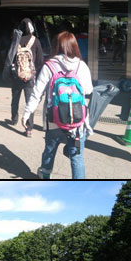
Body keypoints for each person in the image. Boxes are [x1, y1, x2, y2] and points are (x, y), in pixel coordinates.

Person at [22, 31, 93, 179]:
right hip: (77, 122)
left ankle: (45, 176)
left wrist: (27, 113)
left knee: (49, 151)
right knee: (77, 158)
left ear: (56, 47)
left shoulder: (50, 66)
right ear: (74, 46)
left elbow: (37, 93)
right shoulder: (82, 66)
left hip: (54, 120)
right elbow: (88, 90)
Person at [4, 18, 44, 137]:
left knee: (15, 98)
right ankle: (29, 128)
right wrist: (33, 71)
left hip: (17, 76)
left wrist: (13, 73)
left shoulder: (16, 40)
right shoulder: (35, 41)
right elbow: (40, 60)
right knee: (29, 102)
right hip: (29, 77)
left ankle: (14, 118)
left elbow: (10, 57)